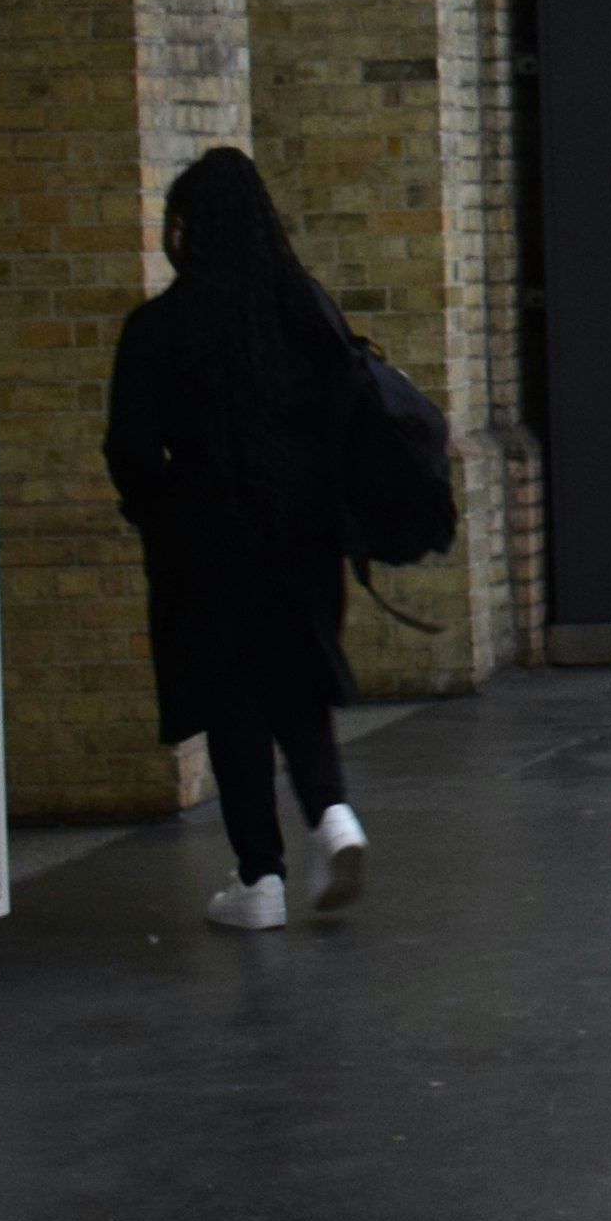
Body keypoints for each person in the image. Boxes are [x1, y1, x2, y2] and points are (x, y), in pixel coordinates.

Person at [104, 149, 372, 932]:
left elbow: (127, 449)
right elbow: (346, 414)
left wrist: (159, 505)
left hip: (204, 543)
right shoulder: (304, 310)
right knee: (296, 679)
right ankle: (333, 816)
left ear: (188, 230)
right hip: (302, 534)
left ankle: (261, 880)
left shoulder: (158, 329)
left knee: (234, 705)